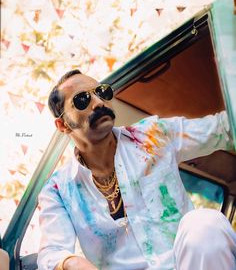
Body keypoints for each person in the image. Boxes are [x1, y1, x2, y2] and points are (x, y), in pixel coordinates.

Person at [38, 69, 236, 270]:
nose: (98, 102)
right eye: (82, 99)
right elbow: (51, 252)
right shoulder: (58, 190)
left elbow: (224, 129)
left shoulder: (154, 136)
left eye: (102, 92)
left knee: (205, 223)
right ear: (62, 125)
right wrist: (71, 263)